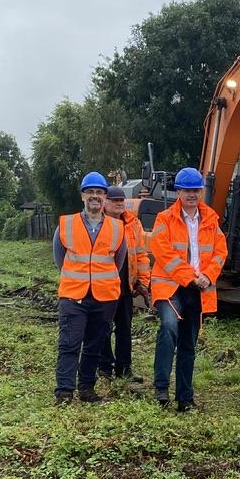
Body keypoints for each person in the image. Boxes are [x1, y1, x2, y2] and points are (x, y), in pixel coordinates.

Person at [148, 167, 228, 411]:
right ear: (179, 192)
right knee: (169, 328)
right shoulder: (164, 219)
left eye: (195, 190)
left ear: (200, 191)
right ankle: (161, 387)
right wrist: (191, 276)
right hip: (170, 287)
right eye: (187, 190)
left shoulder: (211, 219)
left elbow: (220, 252)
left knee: (188, 344)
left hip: (197, 289)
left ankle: (185, 398)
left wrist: (208, 275)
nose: (192, 194)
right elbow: (163, 252)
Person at [52, 172, 126, 404]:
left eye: (100, 192)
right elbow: (59, 259)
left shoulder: (117, 227)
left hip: (104, 297)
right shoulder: (66, 224)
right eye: (90, 192)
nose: (95, 196)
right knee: (69, 344)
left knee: (94, 345)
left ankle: (86, 389)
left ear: (105, 197)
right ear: (83, 195)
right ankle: (64, 391)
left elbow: (119, 261)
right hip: (74, 296)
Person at [99, 186, 150, 384]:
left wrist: (143, 282)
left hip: (125, 286)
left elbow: (142, 254)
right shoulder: (99, 223)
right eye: (115, 200)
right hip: (103, 286)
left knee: (124, 328)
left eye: (121, 200)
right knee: (103, 327)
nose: (119, 203)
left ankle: (124, 368)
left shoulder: (132, 223)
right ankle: (104, 367)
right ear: (106, 202)